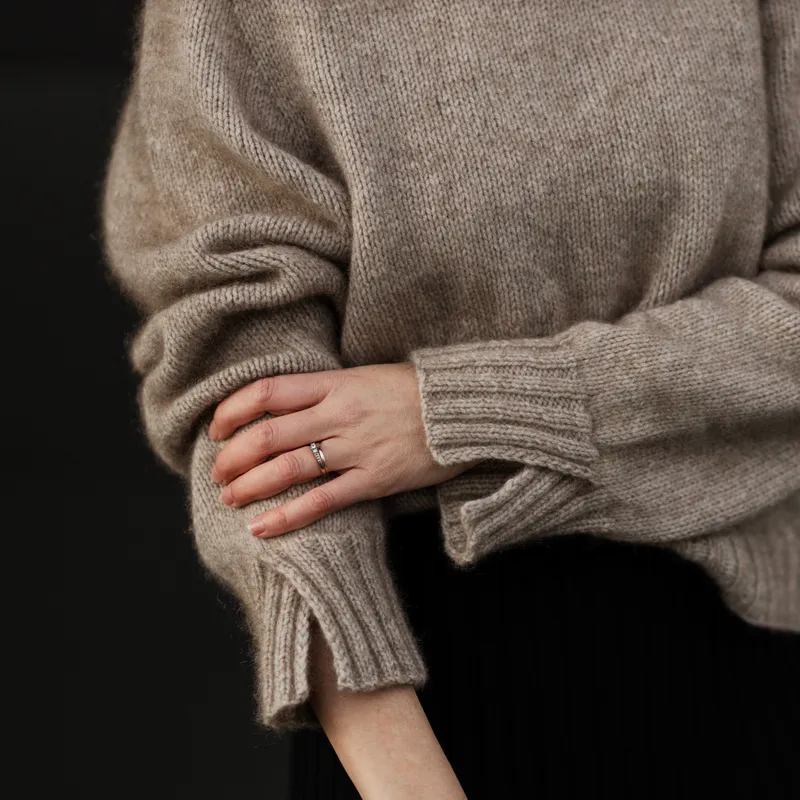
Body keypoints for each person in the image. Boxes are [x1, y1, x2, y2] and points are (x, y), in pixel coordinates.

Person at [100, 0, 800, 797]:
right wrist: (402, 774)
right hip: (414, 708)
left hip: (751, 666)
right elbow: (246, 385)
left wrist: (458, 412)